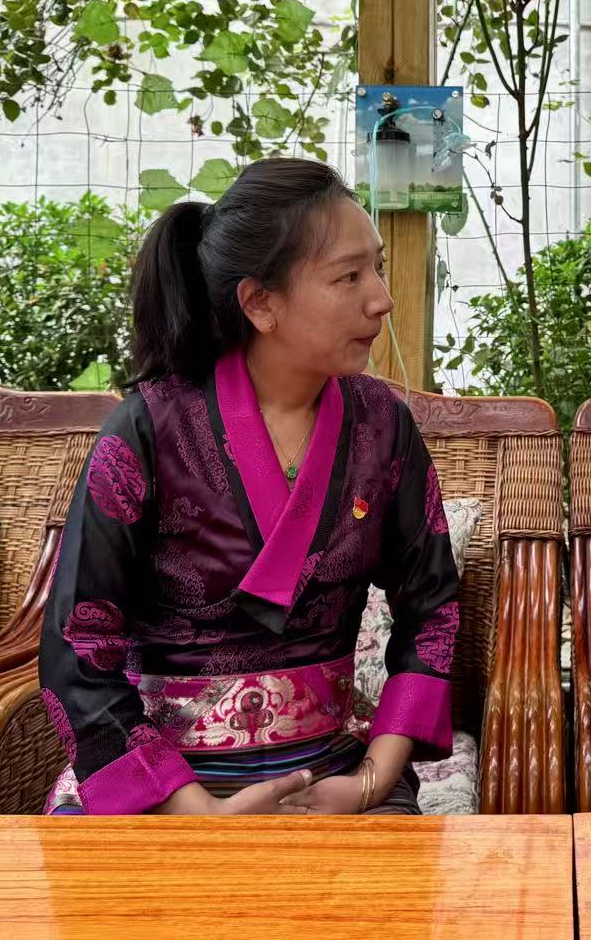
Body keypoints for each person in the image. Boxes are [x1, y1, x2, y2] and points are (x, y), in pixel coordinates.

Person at [39, 158, 459, 815]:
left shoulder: (384, 424)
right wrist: (192, 810)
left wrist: (372, 781)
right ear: (261, 302)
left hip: (331, 774)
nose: (381, 298)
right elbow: (78, 640)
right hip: (163, 789)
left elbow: (432, 608)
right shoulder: (148, 428)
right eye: (349, 276)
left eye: (376, 268)